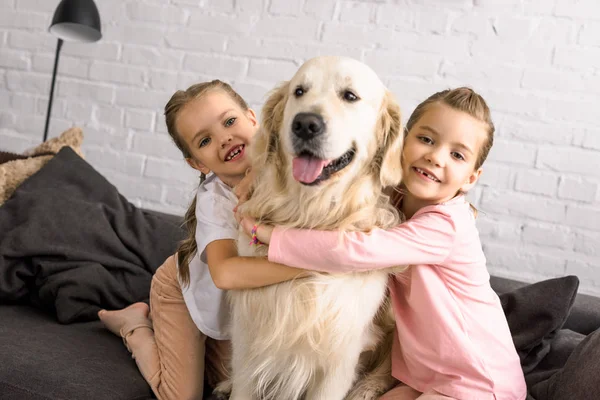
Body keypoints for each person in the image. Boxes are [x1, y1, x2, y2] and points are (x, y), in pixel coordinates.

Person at [233, 87, 527, 400]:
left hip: (479, 381)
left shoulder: (447, 225)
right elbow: (344, 167)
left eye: (457, 155)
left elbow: (353, 250)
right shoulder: (397, 198)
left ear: (471, 177)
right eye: (426, 139)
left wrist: (267, 235)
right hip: (427, 377)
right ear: (401, 140)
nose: (435, 156)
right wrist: (255, 173)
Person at [97, 79, 263, 400]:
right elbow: (226, 273)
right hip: (180, 291)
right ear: (198, 163)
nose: (225, 137)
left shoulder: (290, 167)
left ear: (253, 119)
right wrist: (310, 265)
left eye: (230, 121)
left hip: (235, 307)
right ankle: (134, 326)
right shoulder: (214, 199)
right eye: (204, 140)